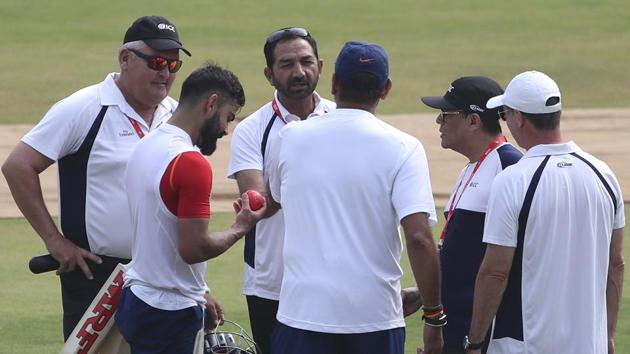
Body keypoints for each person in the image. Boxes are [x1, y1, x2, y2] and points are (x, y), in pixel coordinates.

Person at [1, 15, 191, 340]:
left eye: (173, 65)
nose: (165, 72)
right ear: (125, 58)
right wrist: (54, 241)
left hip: (162, 274)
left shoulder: (175, 116)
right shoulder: (85, 108)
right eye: (157, 61)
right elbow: (18, 166)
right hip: (97, 275)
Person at [268, 41, 444, 354]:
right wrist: (433, 316)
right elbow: (418, 238)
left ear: (334, 83)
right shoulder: (404, 148)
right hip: (375, 319)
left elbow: (278, 197)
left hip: (302, 315)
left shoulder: (290, 138)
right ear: (385, 89)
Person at [465, 71, 625, 353]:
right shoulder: (604, 175)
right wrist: (608, 335)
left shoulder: (513, 180)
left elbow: (495, 272)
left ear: (520, 117)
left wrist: (475, 341)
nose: (506, 122)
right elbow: (616, 265)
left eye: (505, 114)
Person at [115, 63, 265, 353]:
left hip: (138, 297)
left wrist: (201, 290)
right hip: (169, 314)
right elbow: (193, 248)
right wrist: (240, 227)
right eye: (228, 117)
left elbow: (161, 233)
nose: (226, 130)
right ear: (211, 104)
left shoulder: (146, 144)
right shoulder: (191, 163)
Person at [227, 27, 335, 354]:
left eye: (306, 61)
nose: (299, 72)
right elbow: (256, 204)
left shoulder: (342, 118)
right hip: (272, 282)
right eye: (287, 64)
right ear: (269, 74)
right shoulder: (251, 130)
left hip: (334, 275)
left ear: (320, 64)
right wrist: (308, 174)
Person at [420, 77, 523, 353]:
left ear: (473, 121)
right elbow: (463, 254)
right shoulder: (472, 168)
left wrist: (474, 341)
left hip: (487, 337)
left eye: (446, 114)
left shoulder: (511, 167)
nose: (438, 121)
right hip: (457, 330)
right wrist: (424, 294)